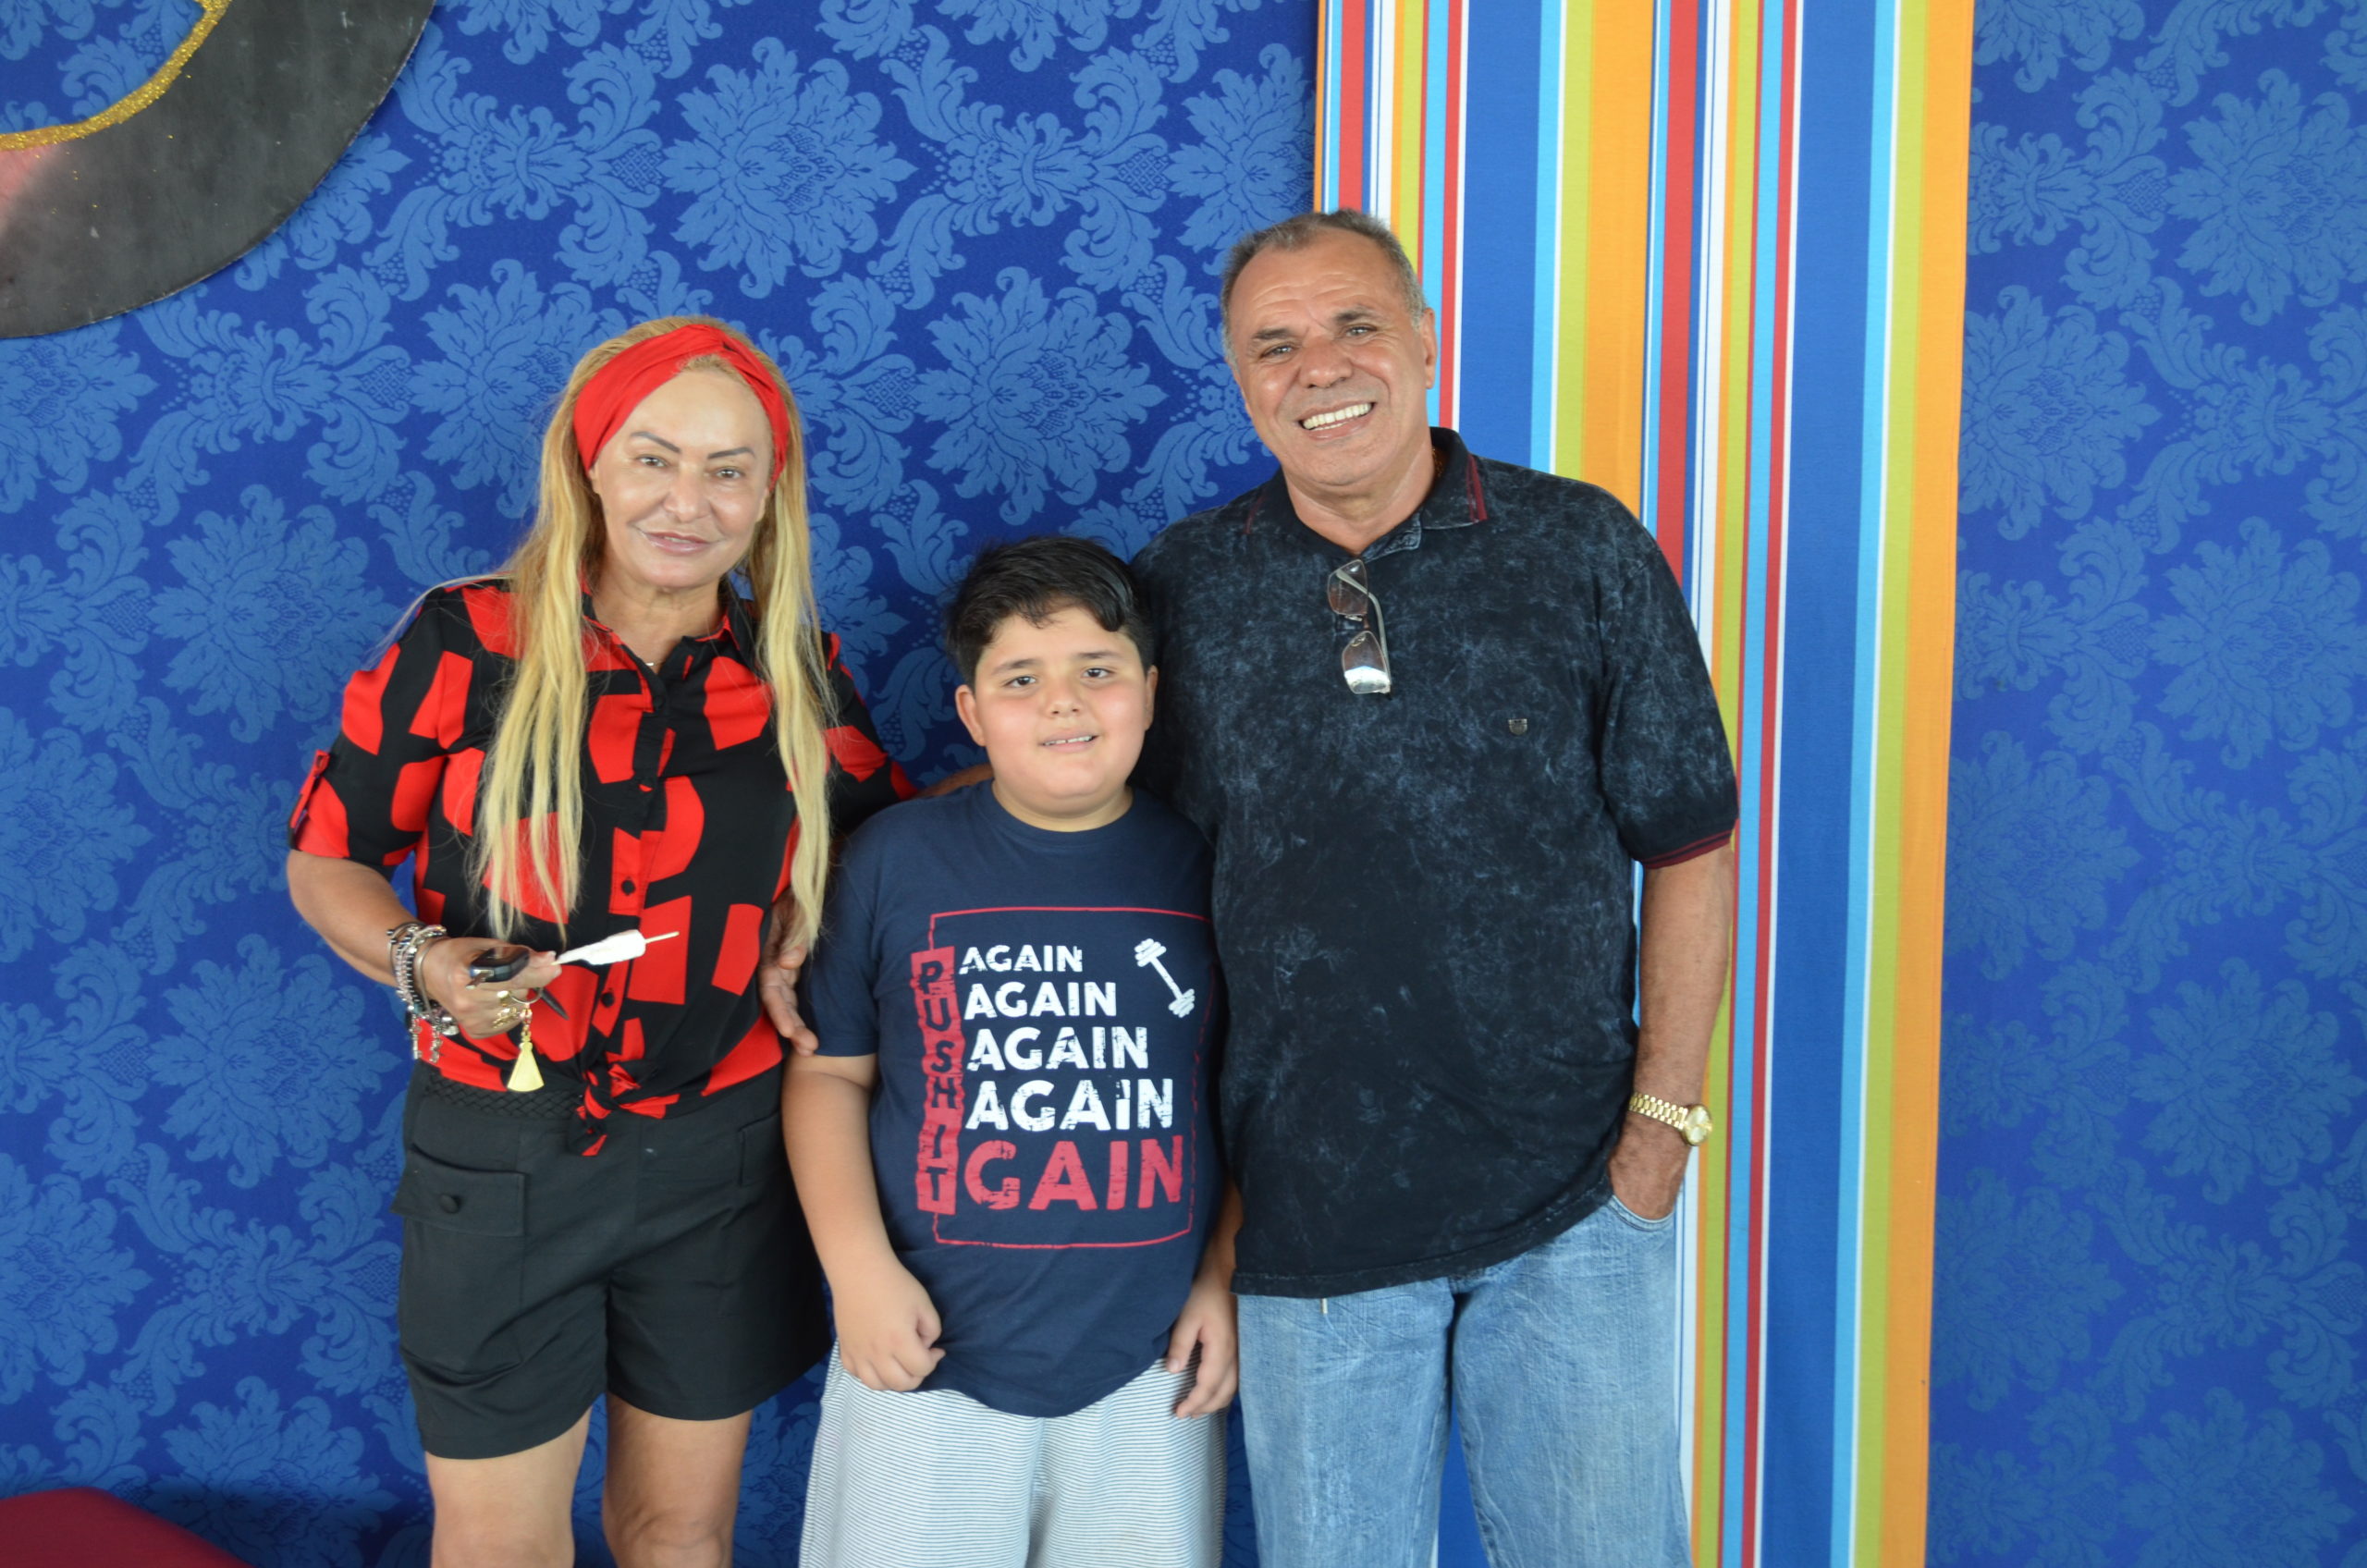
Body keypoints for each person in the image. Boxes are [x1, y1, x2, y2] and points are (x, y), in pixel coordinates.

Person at [1129, 211, 1738, 1567]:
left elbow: (1690, 846)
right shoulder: (1185, 584)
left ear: (1421, 340)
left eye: (1354, 325)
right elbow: (1090, 813)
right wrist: (850, 875)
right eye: (1274, 345)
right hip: (1308, 1217)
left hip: (1577, 1202)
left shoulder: (1579, 546)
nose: (1319, 367)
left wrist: (1660, 1133)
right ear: (1240, 380)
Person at [285, 317, 909, 1568]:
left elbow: (886, 849)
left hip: (720, 1159)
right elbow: (325, 855)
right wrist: (422, 961)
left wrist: (804, 918)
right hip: (502, 1154)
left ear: (769, 496)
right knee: (500, 1546)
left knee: (679, 1534)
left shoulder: (796, 672)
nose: (689, 501)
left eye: (728, 469)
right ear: (589, 466)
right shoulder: (466, 641)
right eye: (653, 458)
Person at [784, 535, 1240, 1568]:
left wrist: (1222, 1269)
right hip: (922, 1347)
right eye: (1020, 679)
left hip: (1150, 1361)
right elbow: (828, 1072)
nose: (1063, 702)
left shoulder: (1207, 864)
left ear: (1151, 691)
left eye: (1098, 670)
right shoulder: (894, 858)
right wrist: (857, 1271)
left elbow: (1253, 1090)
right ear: (972, 711)